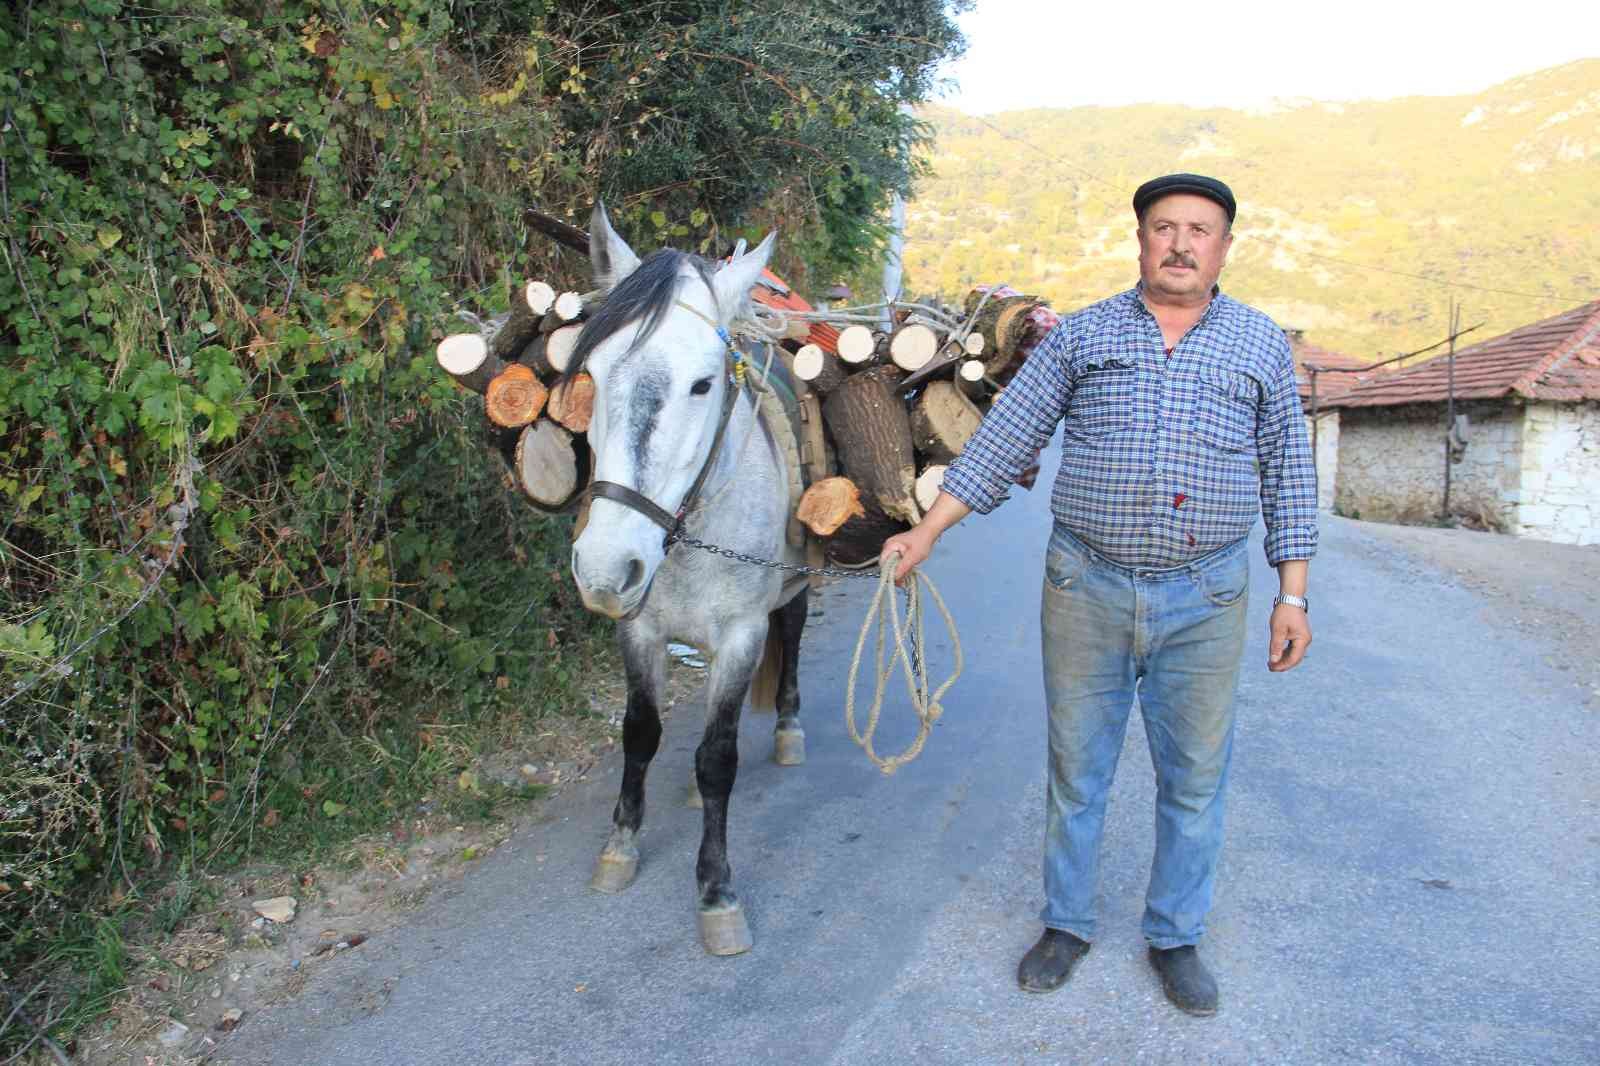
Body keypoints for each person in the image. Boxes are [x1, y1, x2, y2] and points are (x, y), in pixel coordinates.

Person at [881, 173, 1317, 1017]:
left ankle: (1176, 935)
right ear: (1142, 239)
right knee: (1078, 770)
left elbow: (1289, 472)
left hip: (1209, 596)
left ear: (1225, 247)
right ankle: (1067, 924)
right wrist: (928, 531)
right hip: (1086, 584)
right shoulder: (1082, 337)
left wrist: (1291, 595)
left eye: (1199, 229)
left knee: (1194, 776)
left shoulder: (1261, 345)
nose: (1181, 243)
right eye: (1165, 227)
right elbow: (1004, 440)